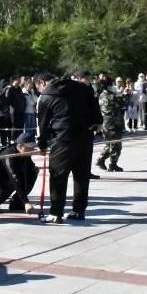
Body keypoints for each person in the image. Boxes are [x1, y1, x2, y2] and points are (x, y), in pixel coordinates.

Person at [36, 71, 102, 223]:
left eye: (38, 87)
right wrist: (93, 125)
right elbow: (97, 114)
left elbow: (41, 124)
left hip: (62, 140)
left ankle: (56, 213)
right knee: (81, 176)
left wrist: (42, 144)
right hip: (85, 138)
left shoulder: (45, 96)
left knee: (58, 176)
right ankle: (79, 211)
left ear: (42, 83)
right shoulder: (83, 88)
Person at [0, 132, 38, 213]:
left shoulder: (25, 152)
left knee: (33, 172)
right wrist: (26, 202)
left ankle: (16, 202)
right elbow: (14, 178)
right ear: (20, 146)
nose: (32, 150)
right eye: (29, 148)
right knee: (11, 183)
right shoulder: (9, 155)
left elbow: (29, 168)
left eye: (32, 147)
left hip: (7, 173)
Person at [95, 75, 126, 173]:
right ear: (109, 85)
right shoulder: (107, 96)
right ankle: (101, 160)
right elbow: (120, 105)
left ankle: (113, 164)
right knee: (114, 145)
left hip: (113, 123)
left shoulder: (108, 95)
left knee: (114, 145)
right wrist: (124, 96)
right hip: (111, 124)